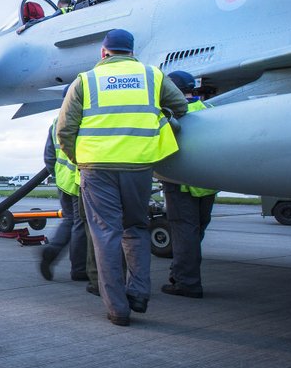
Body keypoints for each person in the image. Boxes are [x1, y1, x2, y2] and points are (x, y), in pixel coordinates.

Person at [55, 29, 189, 326]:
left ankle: (118, 309)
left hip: (97, 168)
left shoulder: (85, 81)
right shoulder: (152, 76)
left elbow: (64, 130)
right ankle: (139, 292)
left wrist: (80, 159)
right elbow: (180, 107)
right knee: (137, 229)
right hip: (139, 166)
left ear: (103, 53)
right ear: (131, 51)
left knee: (105, 235)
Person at [160, 71, 218, 299]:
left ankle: (186, 282)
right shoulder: (208, 110)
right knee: (196, 233)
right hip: (209, 184)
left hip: (182, 184)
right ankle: (181, 273)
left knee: (184, 234)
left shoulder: (171, 115)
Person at [39, 113, 87, 282]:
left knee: (69, 220)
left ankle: (53, 249)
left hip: (63, 180)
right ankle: (79, 269)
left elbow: (49, 157)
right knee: (80, 224)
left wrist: (59, 176)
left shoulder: (56, 121)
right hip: (79, 179)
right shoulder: (83, 117)